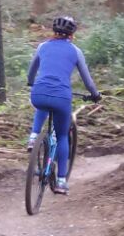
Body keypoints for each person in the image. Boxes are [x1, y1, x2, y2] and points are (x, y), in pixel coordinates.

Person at [26, 16, 101, 194]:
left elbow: (31, 72)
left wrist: (31, 82)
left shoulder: (42, 46)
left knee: (42, 105)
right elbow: (87, 81)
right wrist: (95, 94)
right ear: (72, 35)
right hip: (61, 97)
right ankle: (61, 181)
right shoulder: (75, 51)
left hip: (38, 93)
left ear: (54, 32)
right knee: (61, 136)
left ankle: (33, 136)